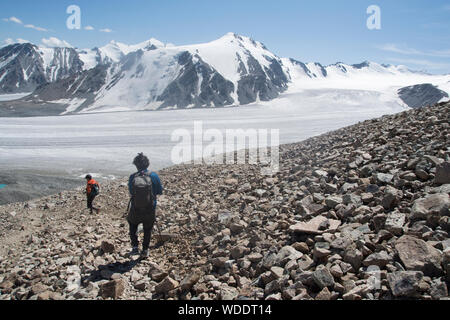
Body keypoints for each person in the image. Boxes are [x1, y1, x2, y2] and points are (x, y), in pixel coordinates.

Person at [127, 153, 163, 258]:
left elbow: (131, 192)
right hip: (150, 208)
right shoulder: (153, 176)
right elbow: (159, 191)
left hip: (135, 208)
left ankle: (134, 247)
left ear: (136, 165)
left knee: (132, 224)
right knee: (148, 229)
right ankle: (145, 250)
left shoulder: (132, 177)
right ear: (147, 164)